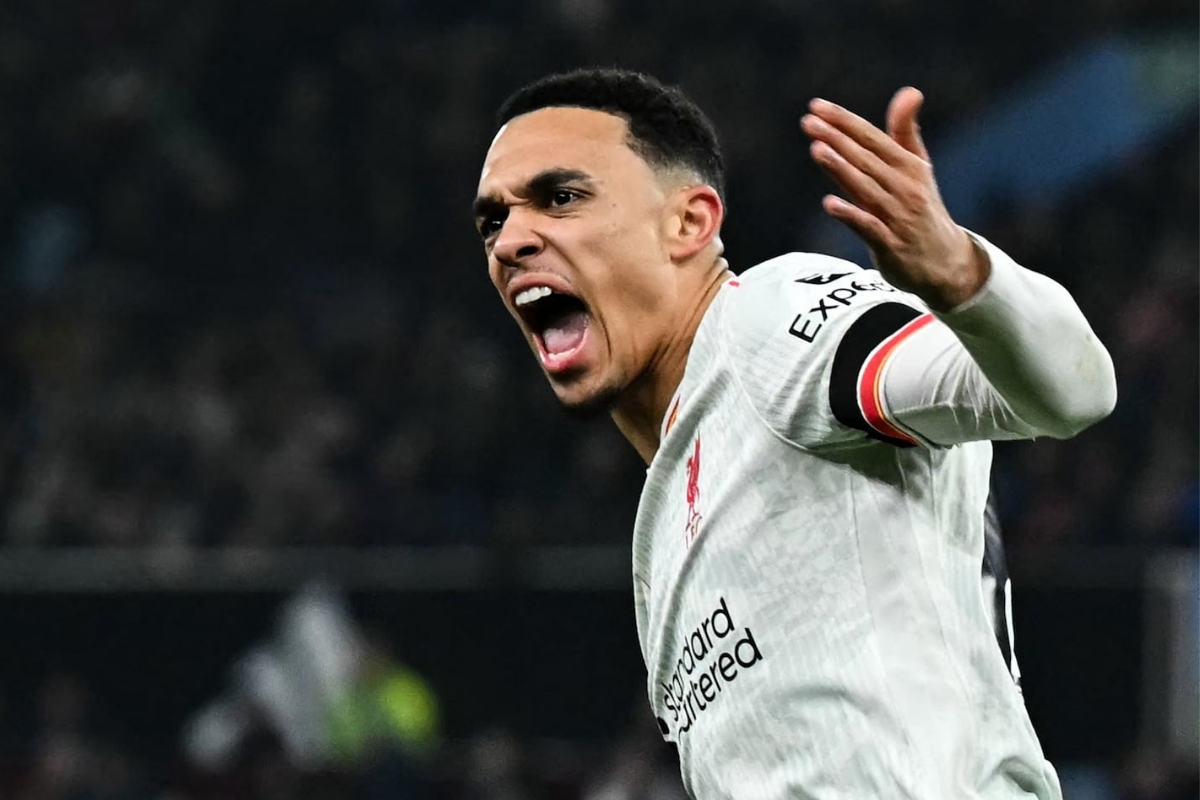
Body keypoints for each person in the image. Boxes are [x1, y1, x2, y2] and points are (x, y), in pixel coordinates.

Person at [472, 68, 1116, 799]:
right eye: (493, 221)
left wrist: (962, 273)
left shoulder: (767, 324)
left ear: (689, 223)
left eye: (561, 197)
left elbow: (1073, 390)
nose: (510, 241)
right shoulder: (664, 529)